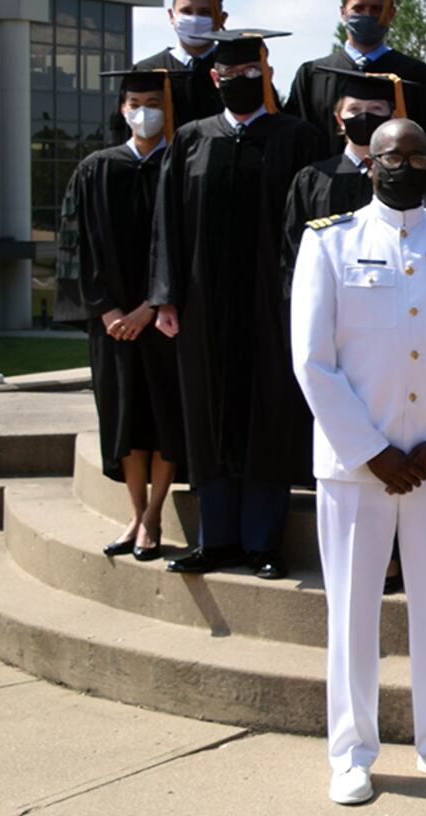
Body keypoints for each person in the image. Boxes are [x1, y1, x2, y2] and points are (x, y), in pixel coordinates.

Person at [291, 117, 426, 806]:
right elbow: (313, 361)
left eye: (418, 154)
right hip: (358, 468)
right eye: (392, 155)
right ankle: (351, 753)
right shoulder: (330, 243)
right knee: (352, 610)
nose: (405, 164)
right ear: (368, 163)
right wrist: (372, 450)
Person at [150, 29, 329, 581]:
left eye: (254, 75)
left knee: (268, 417)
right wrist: (165, 297)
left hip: (272, 306)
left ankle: (263, 542)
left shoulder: (297, 137)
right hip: (204, 307)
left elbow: (312, 224)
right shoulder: (192, 140)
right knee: (208, 416)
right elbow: (166, 224)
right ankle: (215, 538)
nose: (243, 84)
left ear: (267, 75)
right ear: (214, 79)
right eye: (232, 77)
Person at [55, 69, 187, 563]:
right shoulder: (95, 169)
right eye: (136, 101)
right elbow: (75, 247)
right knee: (125, 419)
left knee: (164, 417)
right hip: (112, 325)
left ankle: (154, 515)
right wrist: (109, 311)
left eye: (154, 101)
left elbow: (185, 247)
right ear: (122, 109)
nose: (144, 110)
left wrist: (150, 305)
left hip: (165, 319)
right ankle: (133, 513)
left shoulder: (179, 166)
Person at [285, 0, 426, 150]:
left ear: (391, 13)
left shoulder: (419, 77)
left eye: (376, 9)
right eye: (358, 8)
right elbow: (295, 144)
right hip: (326, 179)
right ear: (343, 12)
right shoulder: (312, 76)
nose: (367, 15)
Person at [281, 67, 406, 282]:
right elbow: (293, 249)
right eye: (354, 109)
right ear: (339, 119)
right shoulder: (312, 180)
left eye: (376, 108)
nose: (364, 116)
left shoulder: (407, 177)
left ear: (392, 116)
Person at [132, 0, 241, 127]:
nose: (195, 19)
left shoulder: (238, 70)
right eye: (186, 11)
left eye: (205, 12)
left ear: (222, 18)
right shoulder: (146, 71)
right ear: (171, 16)